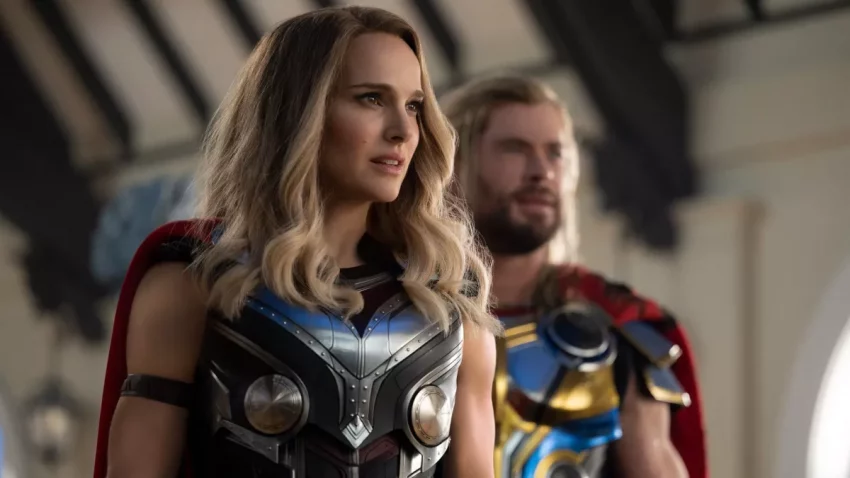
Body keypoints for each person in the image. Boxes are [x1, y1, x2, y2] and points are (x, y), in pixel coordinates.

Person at [92, 7, 500, 477]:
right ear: (299, 112)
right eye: (371, 98)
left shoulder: (448, 300)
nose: (404, 131)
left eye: (413, 105)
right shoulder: (194, 282)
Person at [440, 75, 707, 478]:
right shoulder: (404, 312)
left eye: (555, 153)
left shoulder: (622, 328)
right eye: (514, 149)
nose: (541, 171)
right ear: (453, 164)